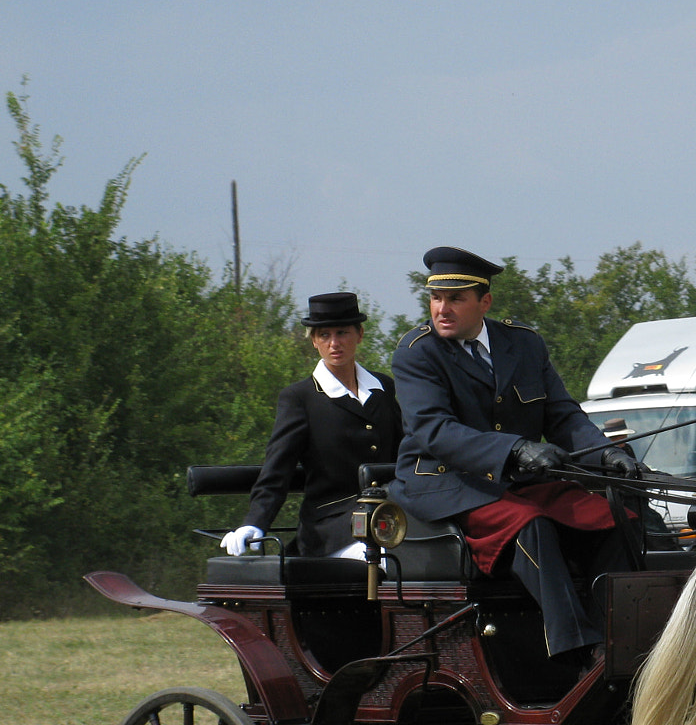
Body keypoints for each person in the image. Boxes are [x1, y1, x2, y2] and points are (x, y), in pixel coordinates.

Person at [388, 246, 641, 658]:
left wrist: (604, 455)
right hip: (442, 482)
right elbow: (435, 431)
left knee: (613, 517)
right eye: (435, 298)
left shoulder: (523, 344)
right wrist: (516, 449)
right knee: (529, 523)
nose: (442, 309)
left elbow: (562, 416)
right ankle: (579, 649)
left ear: (484, 301)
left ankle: (621, 639)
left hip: (513, 481)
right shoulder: (417, 352)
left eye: (456, 299)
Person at [222, 292, 402, 558]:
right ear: (314, 342)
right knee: (387, 559)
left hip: (390, 513)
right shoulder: (299, 398)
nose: (334, 343)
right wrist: (255, 522)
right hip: (331, 526)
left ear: (359, 334)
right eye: (324, 335)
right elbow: (277, 470)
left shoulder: (383, 387)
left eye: (342, 333)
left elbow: (403, 452)